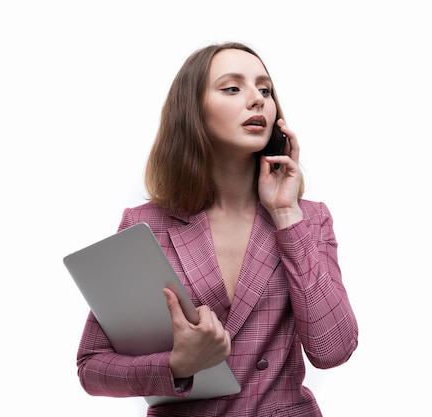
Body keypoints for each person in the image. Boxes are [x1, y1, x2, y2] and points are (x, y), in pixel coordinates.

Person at [75, 41, 358, 417]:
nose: (257, 100)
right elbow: (93, 367)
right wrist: (178, 364)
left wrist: (286, 215)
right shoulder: (146, 225)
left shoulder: (310, 218)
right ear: (192, 111)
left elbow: (332, 349)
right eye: (232, 88)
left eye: (265, 89)